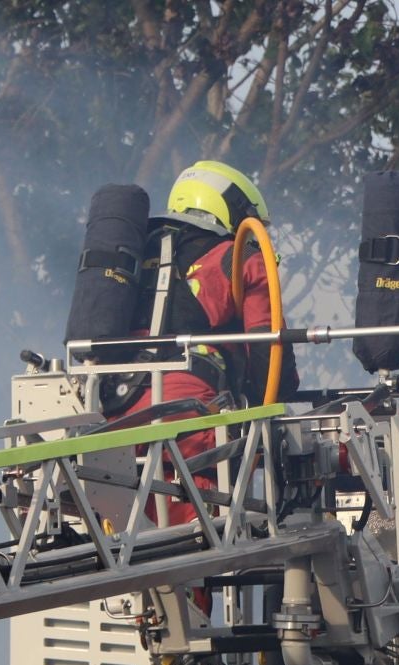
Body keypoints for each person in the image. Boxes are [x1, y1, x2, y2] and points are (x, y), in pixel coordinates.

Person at [124, 159, 300, 524]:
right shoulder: (239, 260)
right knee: (196, 545)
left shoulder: (135, 254)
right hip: (189, 417)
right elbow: (271, 360)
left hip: (116, 414)